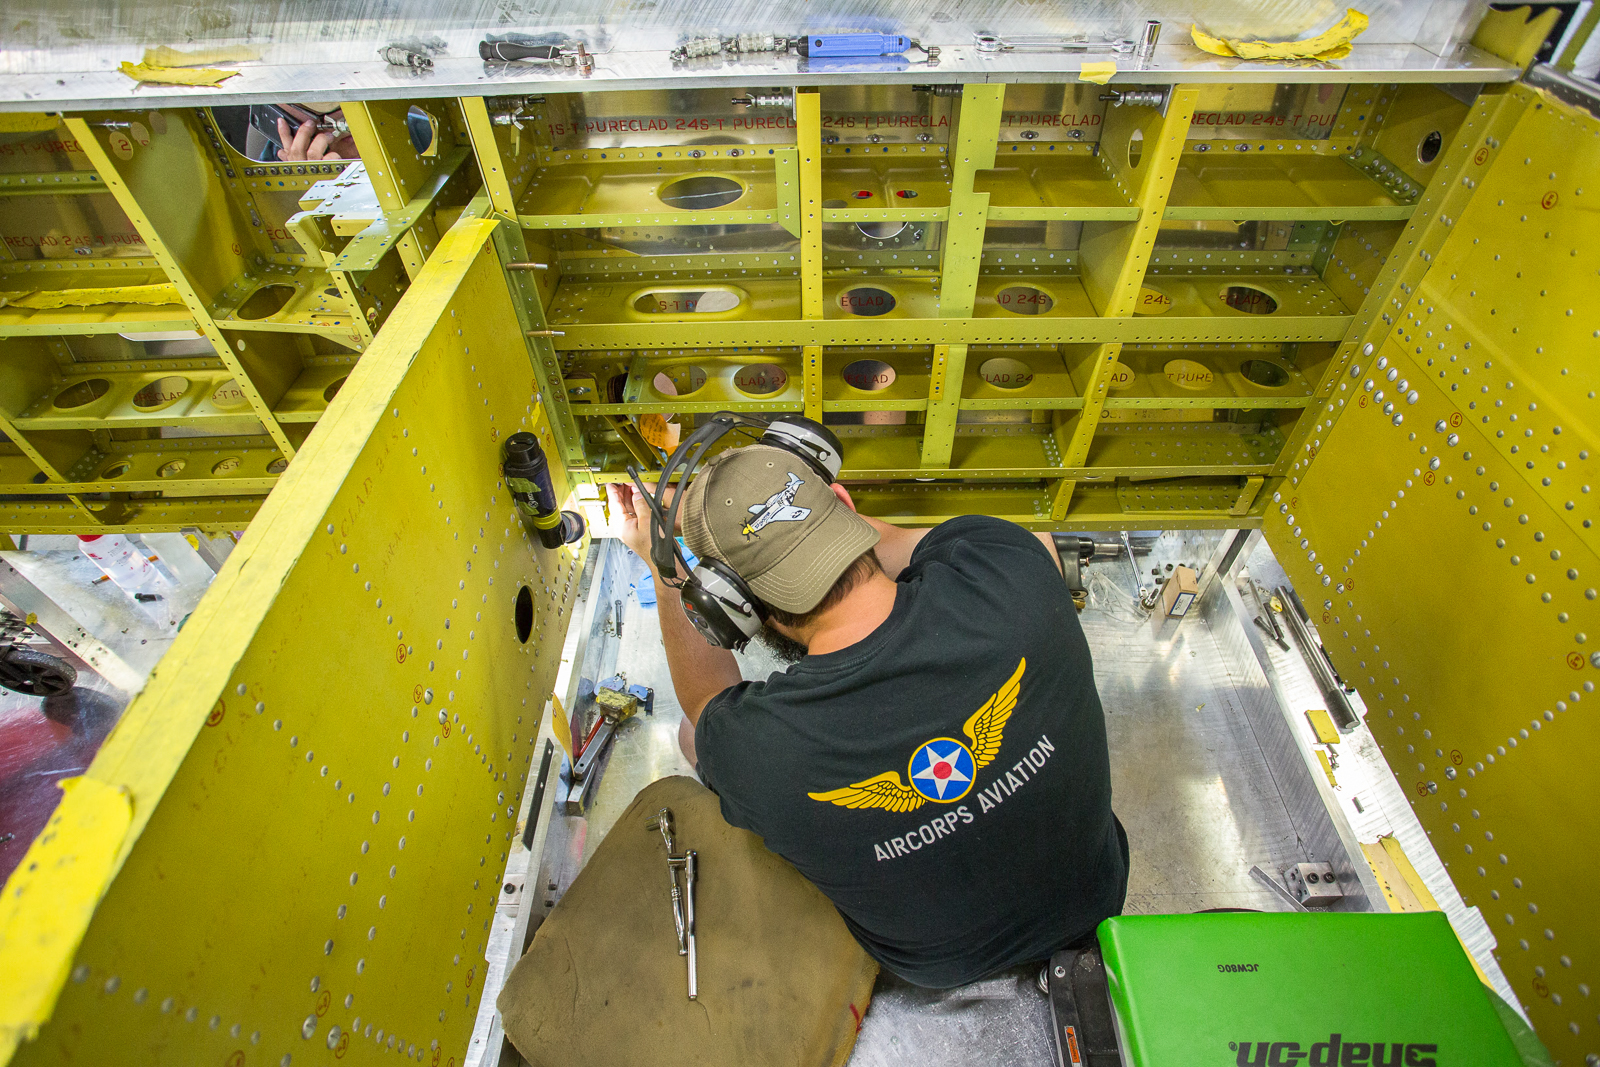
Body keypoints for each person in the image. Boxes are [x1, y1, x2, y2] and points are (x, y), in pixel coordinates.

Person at [605, 435, 1128, 989]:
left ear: (731, 611)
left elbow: (703, 699)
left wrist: (665, 567)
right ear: (844, 503)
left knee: (694, 736)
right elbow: (942, 544)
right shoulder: (1012, 571)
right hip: (1095, 899)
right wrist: (808, 517)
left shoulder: (759, 752)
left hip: (937, 967)